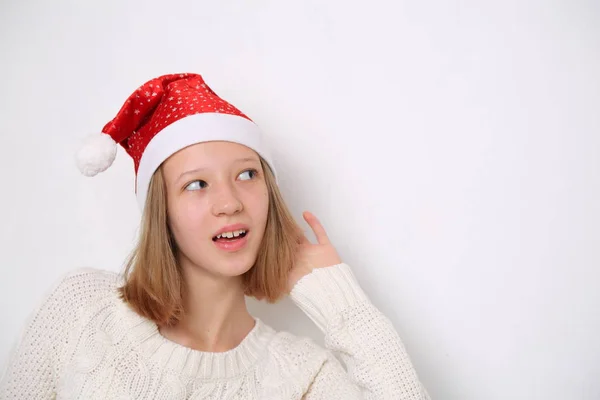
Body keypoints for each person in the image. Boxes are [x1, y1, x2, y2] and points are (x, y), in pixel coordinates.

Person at [0, 73, 430, 399]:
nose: (230, 203)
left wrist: (343, 304)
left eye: (247, 174)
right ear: (160, 211)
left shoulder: (301, 374)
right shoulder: (81, 308)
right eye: (197, 184)